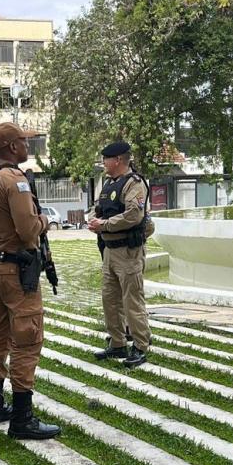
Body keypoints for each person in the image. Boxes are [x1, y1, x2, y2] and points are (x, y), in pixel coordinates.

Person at [0, 123, 60, 439]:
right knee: (27, 337)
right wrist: (45, 221)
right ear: (11, 146)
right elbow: (27, 230)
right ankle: (23, 417)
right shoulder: (14, 180)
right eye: (24, 141)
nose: (28, 145)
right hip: (15, 270)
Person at [88, 142, 152, 368]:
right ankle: (117, 343)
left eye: (106, 159)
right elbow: (98, 208)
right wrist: (93, 219)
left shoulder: (134, 184)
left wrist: (104, 224)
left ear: (117, 160)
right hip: (109, 250)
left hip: (128, 251)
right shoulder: (108, 184)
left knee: (132, 300)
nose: (103, 163)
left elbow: (134, 215)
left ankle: (140, 345)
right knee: (110, 299)